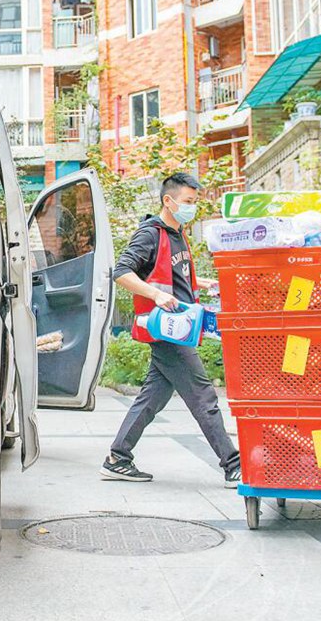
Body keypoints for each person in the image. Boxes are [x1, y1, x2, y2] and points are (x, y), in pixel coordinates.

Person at [100, 172, 241, 488]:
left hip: (179, 327)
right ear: (169, 200)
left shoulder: (178, 233)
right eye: (188, 202)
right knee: (203, 393)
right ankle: (233, 465)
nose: (192, 207)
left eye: (194, 202)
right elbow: (122, 272)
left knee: (152, 397)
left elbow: (172, 274)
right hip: (166, 328)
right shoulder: (150, 234)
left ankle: (118, 458)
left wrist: (200, 283)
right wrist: (155, 295)